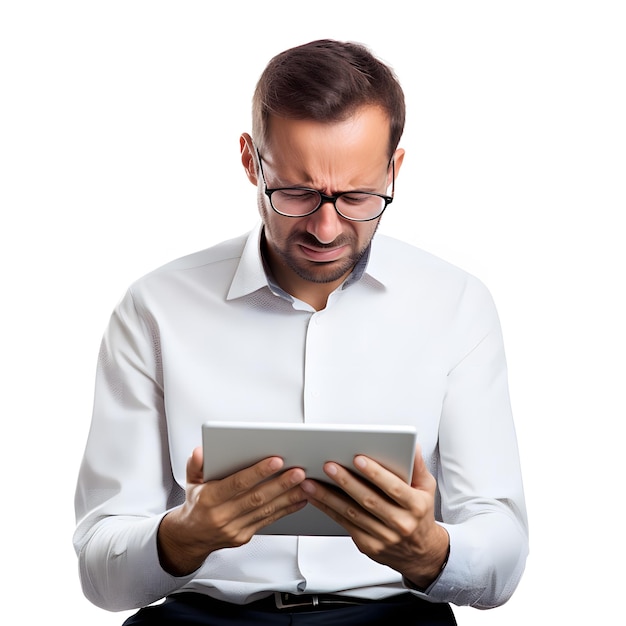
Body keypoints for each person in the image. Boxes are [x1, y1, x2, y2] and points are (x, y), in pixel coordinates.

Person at [73, 39, 528, 625]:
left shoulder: (456, 304)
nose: (326, 226)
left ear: (395, 169)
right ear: (249, 161)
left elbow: (503, 557)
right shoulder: (155, 308)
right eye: (297, 193)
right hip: (201, 619)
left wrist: (431, 552)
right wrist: (182, 538)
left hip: (393, 619)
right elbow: (98, 572)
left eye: (359, 196)